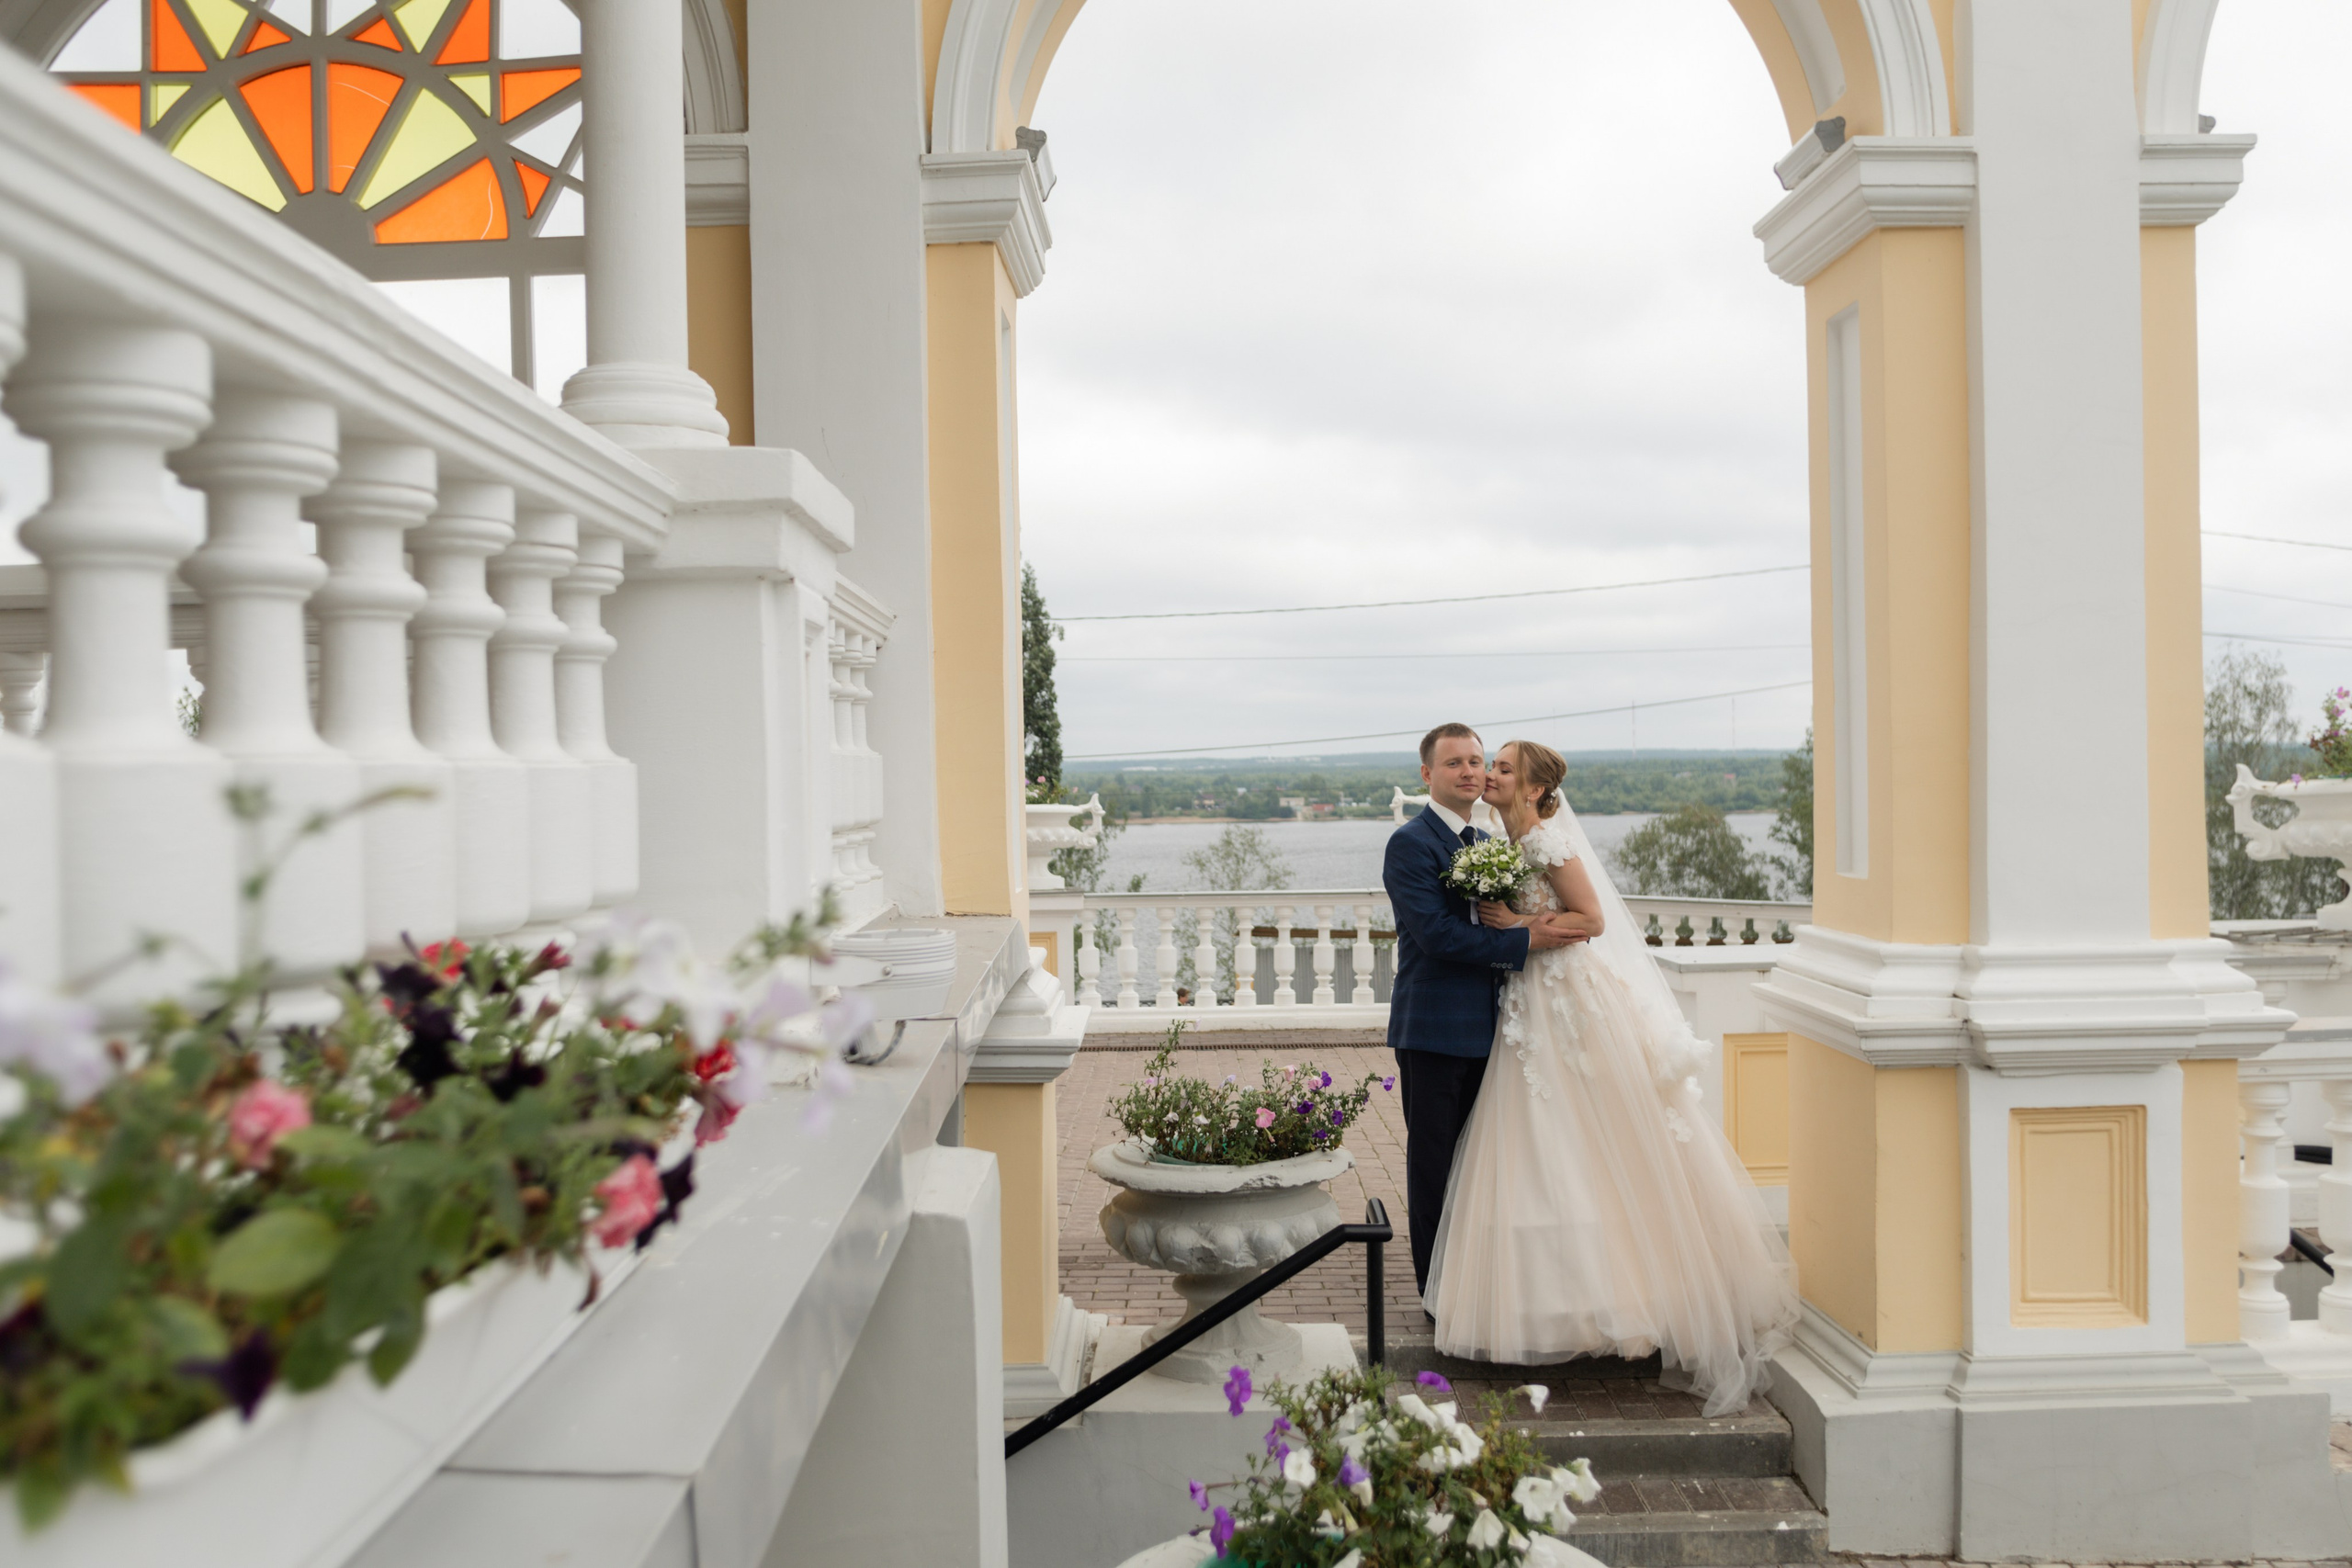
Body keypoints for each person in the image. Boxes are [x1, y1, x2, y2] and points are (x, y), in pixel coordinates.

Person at [1423, 739, 1799, 1415]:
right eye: (1488, 765)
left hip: (1568, 1000)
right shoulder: (1503, 842)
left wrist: (1518, 923)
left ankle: (1632, 1297)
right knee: (1540, 1138)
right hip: (1527, 1002)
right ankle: (1554, 1302)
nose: (1489, 774)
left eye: (1503, 767)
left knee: (1593, 1132)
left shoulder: (1547, 843)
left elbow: (1591, 919)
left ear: (1535, 788)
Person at [1382, 723, 1583, 1308]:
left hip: (1495, 1028)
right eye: (1455, 763)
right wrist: (1527, 940)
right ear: (1427, 774)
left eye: (1477, 760)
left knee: (1479, 1169)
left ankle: (1475, 1286)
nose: (1470, 771)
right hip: (1436, 1029)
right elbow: (1438, 936)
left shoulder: (1485, 838)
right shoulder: (1411, 843)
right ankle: (1437, 1295)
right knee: (1435, 1168)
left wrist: (1523, 930)